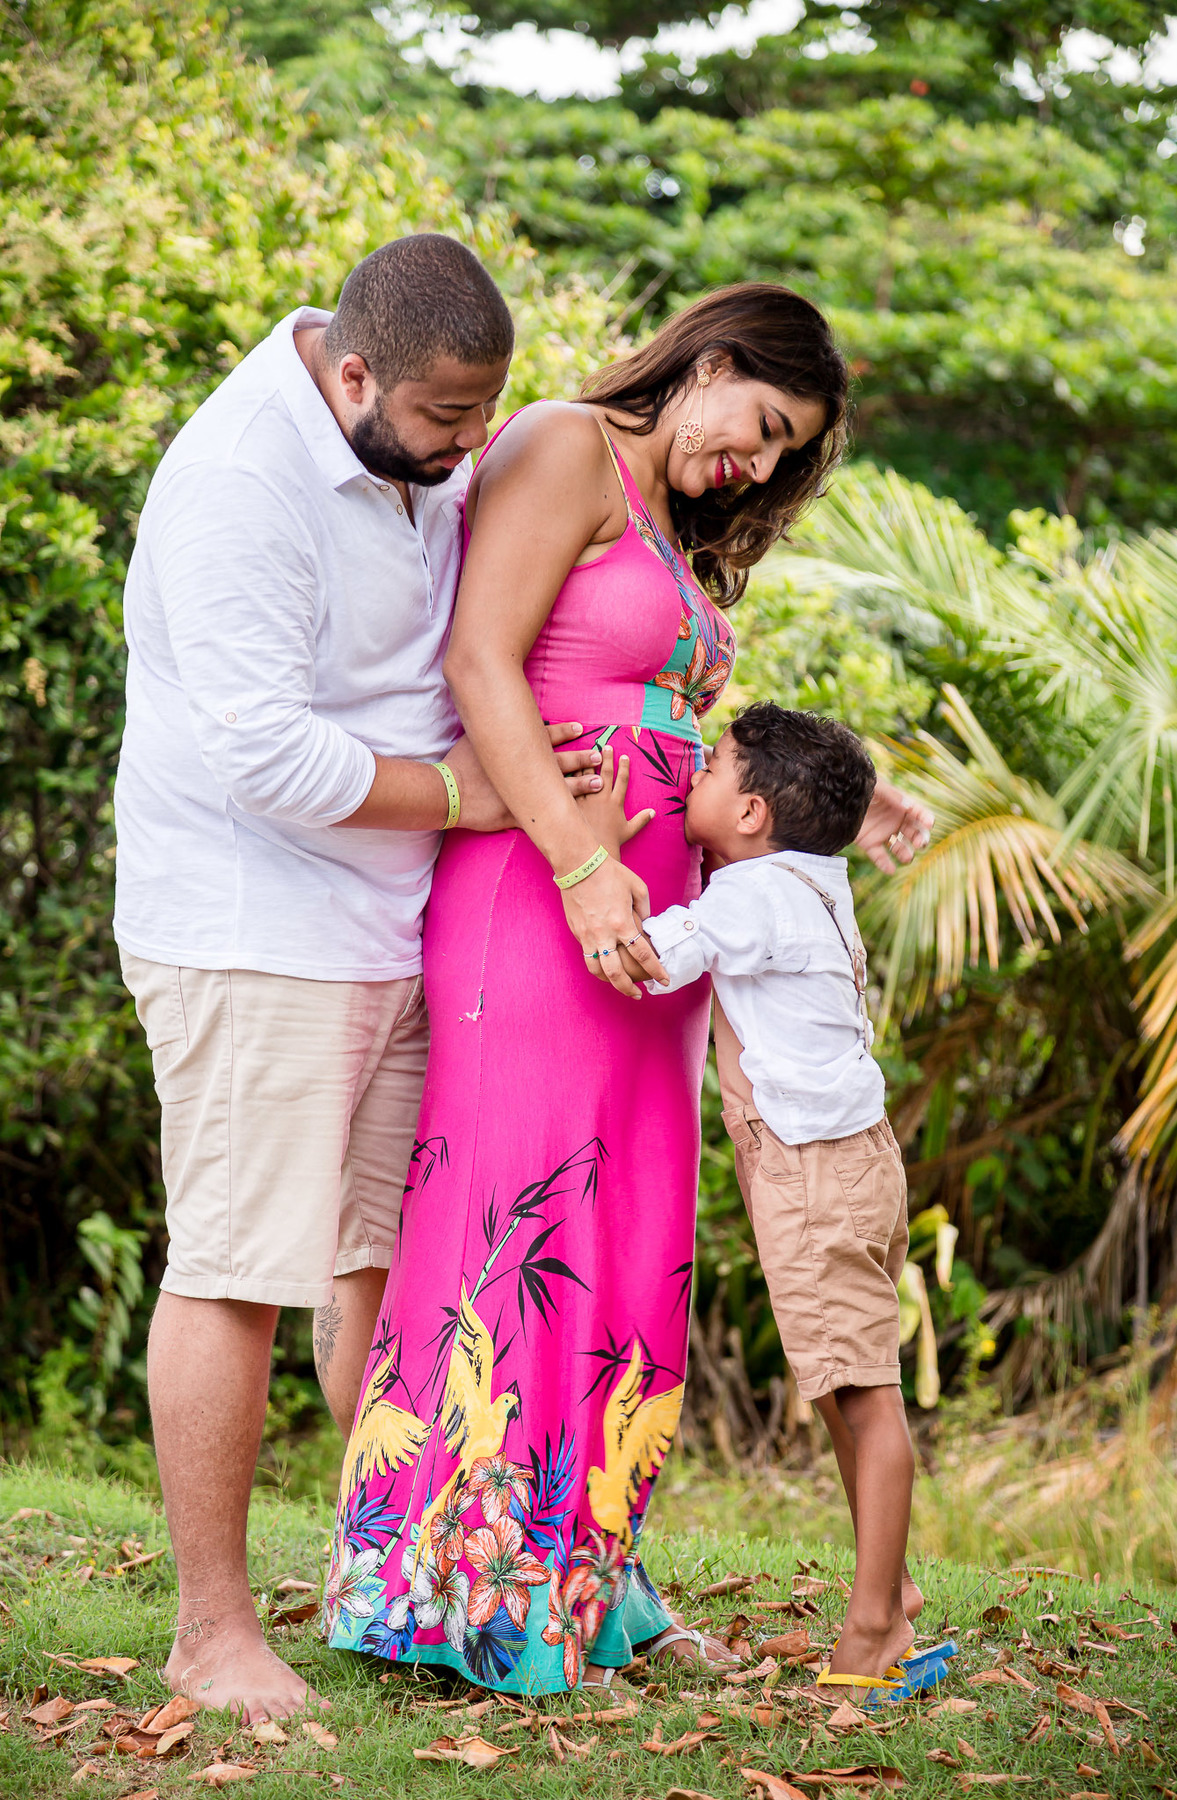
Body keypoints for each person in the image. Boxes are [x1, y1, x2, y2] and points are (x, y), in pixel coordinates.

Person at [326, 285, 933, 1695]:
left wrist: (857, 792)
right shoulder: (559, 445)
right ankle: (460, 1597)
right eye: (765, 428)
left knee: (626, 1227)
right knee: (521, 1212)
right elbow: (482, 659)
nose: (763, 467)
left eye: (788, 457)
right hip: (546, 900)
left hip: (659, 930)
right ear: (711, 361)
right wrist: (583, 864)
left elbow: (670, 711)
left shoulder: (672, 520)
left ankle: (582, 1583)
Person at [113, 234, 604, 1723]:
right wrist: (472, 798)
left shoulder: (413, 445)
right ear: (351, 374)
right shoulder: (238, 485)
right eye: (452, 418)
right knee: (238, 1272)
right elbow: (263, 756)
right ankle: (211, 1632)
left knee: (382, 1281)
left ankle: (391, 1582)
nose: (473, 448)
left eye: (488, 415)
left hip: (393, 930)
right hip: (255, 927)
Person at [623, 702, 953, 1699]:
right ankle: (884, 1605)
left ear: (755, 812)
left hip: (813, 1174)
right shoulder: (811, 876)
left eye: (714, 765)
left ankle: (870, 1635)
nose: (695, 774)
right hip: (852, 1164)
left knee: (864, 1398)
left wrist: (586, 864)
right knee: (840, 1391)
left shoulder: (752, 895)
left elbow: (647, 962)